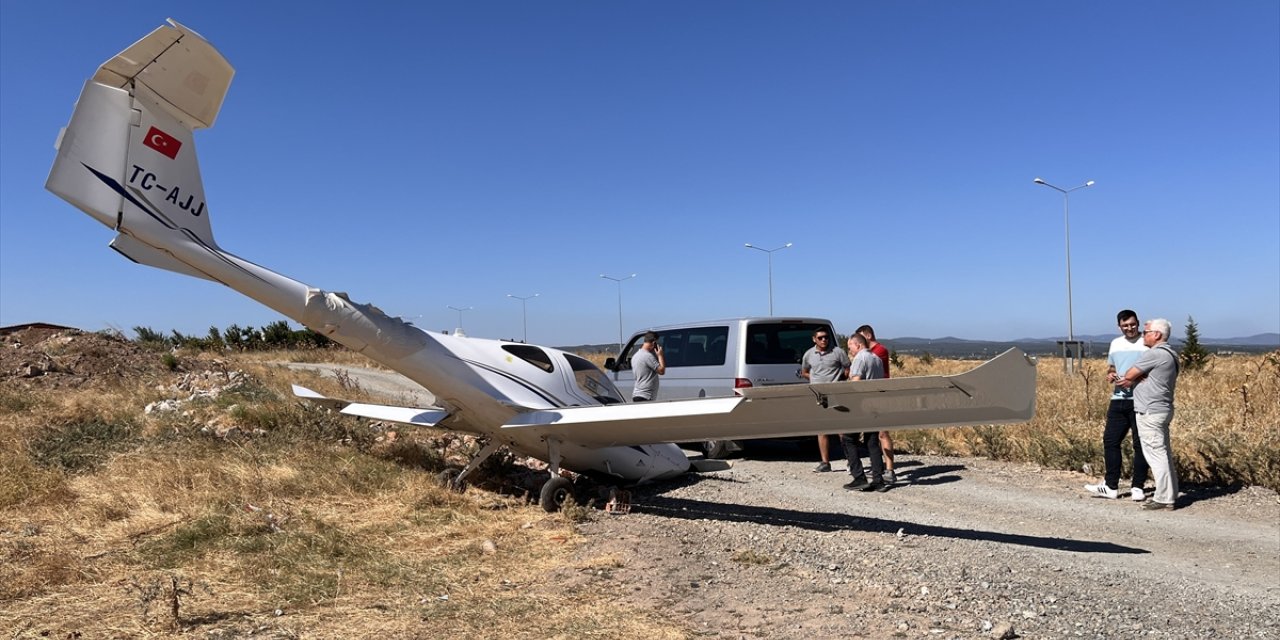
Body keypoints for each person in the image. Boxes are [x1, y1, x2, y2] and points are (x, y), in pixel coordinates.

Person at [1084, 310, 1151, 501]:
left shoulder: (1147, 343)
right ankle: (1111, 485)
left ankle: (1138, 486)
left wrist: (1134, 379)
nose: (1129, 328)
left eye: (1132, 324)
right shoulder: (1115, 344)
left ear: (1137, 323)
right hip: (1118, 398)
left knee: (1141, 444)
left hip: (1141, 399)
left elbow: (1154, 370)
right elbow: (1112, 367)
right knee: (1111, 441)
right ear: (1119, 327)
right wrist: (1111, 375)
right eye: (1125, 326)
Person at [1117, 318, 1180, 510]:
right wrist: (1139, 376)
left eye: (1147, 332)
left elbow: (1128, 374)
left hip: (1150, 410)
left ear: (1157, 335)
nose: (1143, 335)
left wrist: (1135, 376)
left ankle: (1163, 498)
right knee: (1163, 453)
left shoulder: (1155, 354)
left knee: (1155, 454)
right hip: (1161, 408)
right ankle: (1171, 492)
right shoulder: (1171, 354)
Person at [842, 333, 888, 491]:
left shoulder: (860, 359)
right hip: (875, 405)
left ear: (858, 345)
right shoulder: (877, 359)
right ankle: (878, 479)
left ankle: (859, 476)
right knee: (872, 442)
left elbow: (855, 385)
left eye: (850, 348)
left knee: (848, 439)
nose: (850, 352)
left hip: (860, 406)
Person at [802, 327, 850, 472]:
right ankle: (825, 462)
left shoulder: (838, 352)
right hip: (818, 395)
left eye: (826, 337)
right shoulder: (809, 354)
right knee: (822, 429)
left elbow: (847, 367)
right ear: (814, 339)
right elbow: (804, 371)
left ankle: (850, 460)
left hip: (835, 394)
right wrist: (815, 379)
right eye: (821, 337)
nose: (824, 340)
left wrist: (841, 379)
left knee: (841, 430)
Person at [856, 325, 898, 484]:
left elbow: (865, 363)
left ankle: (890, 470)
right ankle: (878, 467)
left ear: (867, 335)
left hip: (881, 396)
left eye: (860, 337)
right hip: (870, 397)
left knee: (883, 433)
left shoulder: (880, 351)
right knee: (872, 435)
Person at [631, 331, 666, 402]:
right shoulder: (648, 356)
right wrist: (660, 355)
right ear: (654, 343)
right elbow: (661, 371)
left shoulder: (635, 356)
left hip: (637, 394)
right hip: (646, 396)